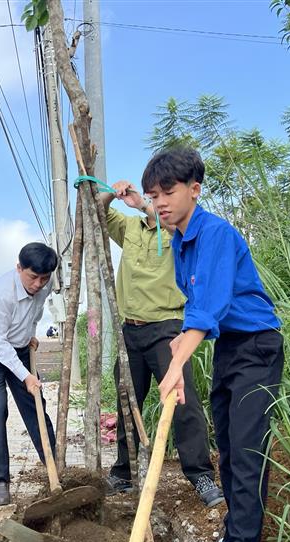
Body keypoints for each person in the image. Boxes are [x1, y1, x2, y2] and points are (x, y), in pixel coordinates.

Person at [135, 147, 283, 542]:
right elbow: (198, 311)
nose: (158, 201)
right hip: (229, 350)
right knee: (231, 450)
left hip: (257, 347)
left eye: (168, 192)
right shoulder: (180, 239)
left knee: (248, 449)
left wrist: (177, 362)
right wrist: (181, 345)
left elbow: (212, 304)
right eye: (151, 194)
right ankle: (236, 534)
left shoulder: (214, 232)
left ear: (194, 190)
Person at [102, 182, 223, 507]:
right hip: (130, 329)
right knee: (128, 400)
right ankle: (123, 472)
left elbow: (177, 221)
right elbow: (95, 214)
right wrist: (113, 194)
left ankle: (200, 475)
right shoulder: (128, 227)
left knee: (182, 402)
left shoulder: (177, 232)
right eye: (155, 196)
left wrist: (142, 204)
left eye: (161, 197)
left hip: (167, 328)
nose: (159, 202)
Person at [0, 242, 59, 505]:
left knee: (35, 404)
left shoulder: (45, 283)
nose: (37, 284)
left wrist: (30, 333)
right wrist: (25, 376)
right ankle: (0, 481)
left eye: (43, 279)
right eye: (32, 277)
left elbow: (36, 310)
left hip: (20, 347)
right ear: (19, 267)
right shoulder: (2, 294)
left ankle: (54, 466)